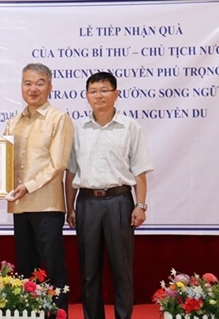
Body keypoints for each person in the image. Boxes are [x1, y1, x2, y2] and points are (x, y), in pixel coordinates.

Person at [65, 71, 154, 319]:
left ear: (116, 94)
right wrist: (70, 208)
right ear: (86, 96)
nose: (98, 95)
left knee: (122, 270)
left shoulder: (130, 126)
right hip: (87, 203)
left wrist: (141, 205)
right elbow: (70, 173)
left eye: (104, 90)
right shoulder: (78, 129)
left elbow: (140, 170)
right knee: (89, 272)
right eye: (93, 91)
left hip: (120, 202)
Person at [4, 63, 74, 316]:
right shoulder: (13, 123)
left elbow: (58, 164)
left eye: (39, 83)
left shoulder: (59, 119)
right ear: (21, 86)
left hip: (47, 204)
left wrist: (28, 186)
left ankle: (59, 313)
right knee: (26, 266)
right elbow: (0, 159)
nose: (33, 89)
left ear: (50, 87)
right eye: (27, 83)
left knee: (54, 265)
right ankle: (30, 312)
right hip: (20, 205)